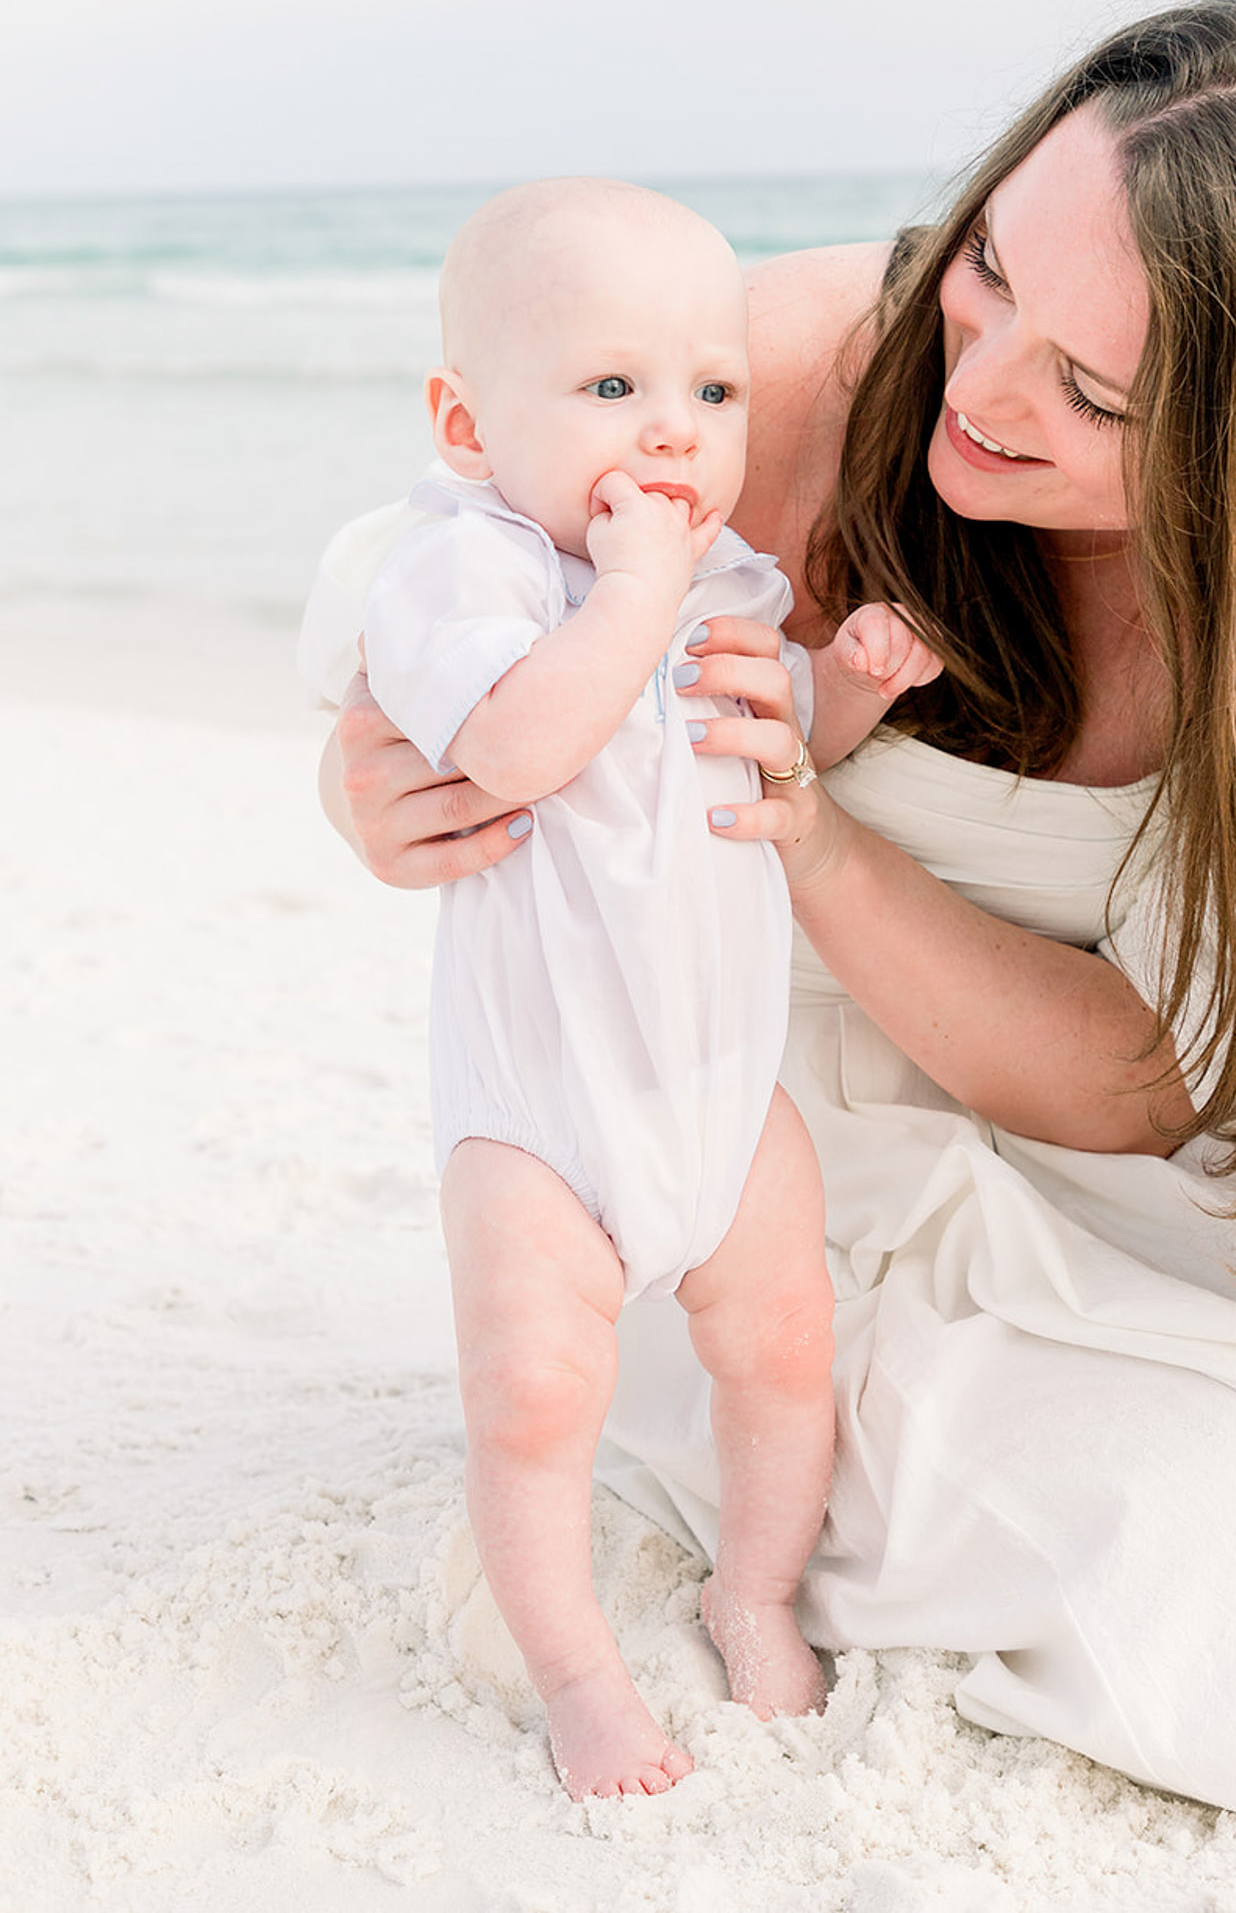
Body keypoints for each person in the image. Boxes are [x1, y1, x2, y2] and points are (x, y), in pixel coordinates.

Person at [318, 0, 1236, 1864]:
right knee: (1232, 1581)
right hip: (766, 1132)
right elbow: (420, 583)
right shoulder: (746, 385)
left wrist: (820, 842)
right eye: (994, 273)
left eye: (1096, 394)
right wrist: (373, 780)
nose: (987, 386)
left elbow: (1148, 1083)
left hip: (1123, 1129)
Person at [323, 178, 939, 1800]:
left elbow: (777, 730)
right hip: (542, 1119)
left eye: (714, 391)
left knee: (784, 1348)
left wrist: (849, 686)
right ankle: (581, 1676)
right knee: (535, 1397)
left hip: (720, 1090)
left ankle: (756, 1593)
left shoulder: (718, 575)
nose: (675, 430)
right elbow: (522, 741)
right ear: (469, 425)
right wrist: (639, 594)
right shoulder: (462, 576)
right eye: (612, 386)